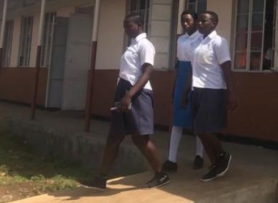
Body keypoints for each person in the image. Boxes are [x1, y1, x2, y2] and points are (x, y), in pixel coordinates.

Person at [83, 13, 169, 190]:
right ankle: (101, 178)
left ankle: (161, 174)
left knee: (140, 138)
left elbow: (147, 73)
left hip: (137, 94)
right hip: (123, 91)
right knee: (114, 136)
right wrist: (122, 94)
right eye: (124, 26)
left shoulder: (145, 45)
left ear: (139, 25)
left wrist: (129, 95)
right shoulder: (132, 45)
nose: (126, 30)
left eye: (129, 26)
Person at [181, 11, 237, 182]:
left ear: (214, 23)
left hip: (213, 90)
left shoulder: (219, 42)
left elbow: (227, 69)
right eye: (199, 21)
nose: (199, 23)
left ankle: (222, 155)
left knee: (204, 128)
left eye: (204, 21)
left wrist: (231, 94)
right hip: (197, 90)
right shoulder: (197, 42)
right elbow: (192, 69)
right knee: (198, 129)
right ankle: (215, 164)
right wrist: (185, 92)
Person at [162, 11, 205, 173]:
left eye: (188, 20)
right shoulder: (180, 40)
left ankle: (199, 155)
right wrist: (176, 85)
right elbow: (179, 63)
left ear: (195, 21)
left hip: (198, 78)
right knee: (177, 119)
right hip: (182, 77)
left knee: (198, 119)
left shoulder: (202, 39)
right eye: (182, 21)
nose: (185, 23)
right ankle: (171, 159)